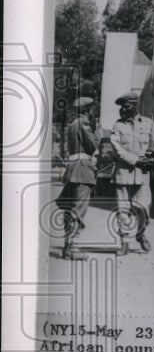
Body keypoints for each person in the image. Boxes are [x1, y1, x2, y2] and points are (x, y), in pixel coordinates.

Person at [109, 91, 154, 254]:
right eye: (121, 107)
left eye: (126, 106)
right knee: (123, 209)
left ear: (135, 106)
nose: (122, 109)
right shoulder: (118, 126)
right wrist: (136, 160)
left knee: (144, 208)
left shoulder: (149, 124)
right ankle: (124, 242)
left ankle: (140, 233)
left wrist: (150, 158)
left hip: (143, 175)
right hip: (123, 174)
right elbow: (117, 150)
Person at [57, 97, 98, 259]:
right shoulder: (84, 124)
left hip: (73, 168)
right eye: (93, 109)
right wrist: (97, 133)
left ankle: (68, 246)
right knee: (79, 210)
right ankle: (72, 248)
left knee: (69, 209)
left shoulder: (73, 124)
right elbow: (93, 146)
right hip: (82, 170)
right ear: (88, 109)